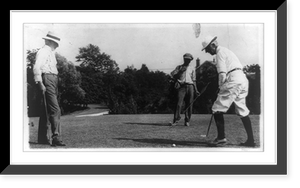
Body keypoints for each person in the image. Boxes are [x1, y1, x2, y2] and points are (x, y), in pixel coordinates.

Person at [201, 35, 255, 147]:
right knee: (242, 110)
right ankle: (251, 141)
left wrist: (220, 87)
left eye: (207, 49)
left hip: (233, 80)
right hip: (242, 79)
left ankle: (221, 138)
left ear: (213, 45)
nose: (207, 52)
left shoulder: (219, 53)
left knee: (216, 109)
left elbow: (222, 73)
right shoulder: (228, 51)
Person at [33, 31, 66, 146]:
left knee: (46, 110)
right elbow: (37, 67)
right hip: (47, 78)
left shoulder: (50, 52)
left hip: (52, 79)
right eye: (56, 43)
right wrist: (40, 83)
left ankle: (42, 138)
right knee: (55, 109)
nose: (57, 45)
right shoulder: (43, 51)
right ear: (52, 42)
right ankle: (56, 137)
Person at [170, 53, 200, 126]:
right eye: (186, 59)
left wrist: (196, 90)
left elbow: (194, 80)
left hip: (190, 86)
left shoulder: (192, 68)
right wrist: (180, 71)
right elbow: (172, 75)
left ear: (190, 60)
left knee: (189, 104)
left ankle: (187, 120)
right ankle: (176, 120)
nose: (187, 61)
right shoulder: (179, 67)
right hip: (181, 86)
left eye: (189, 60)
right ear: (184, 59)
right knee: (178, 104)